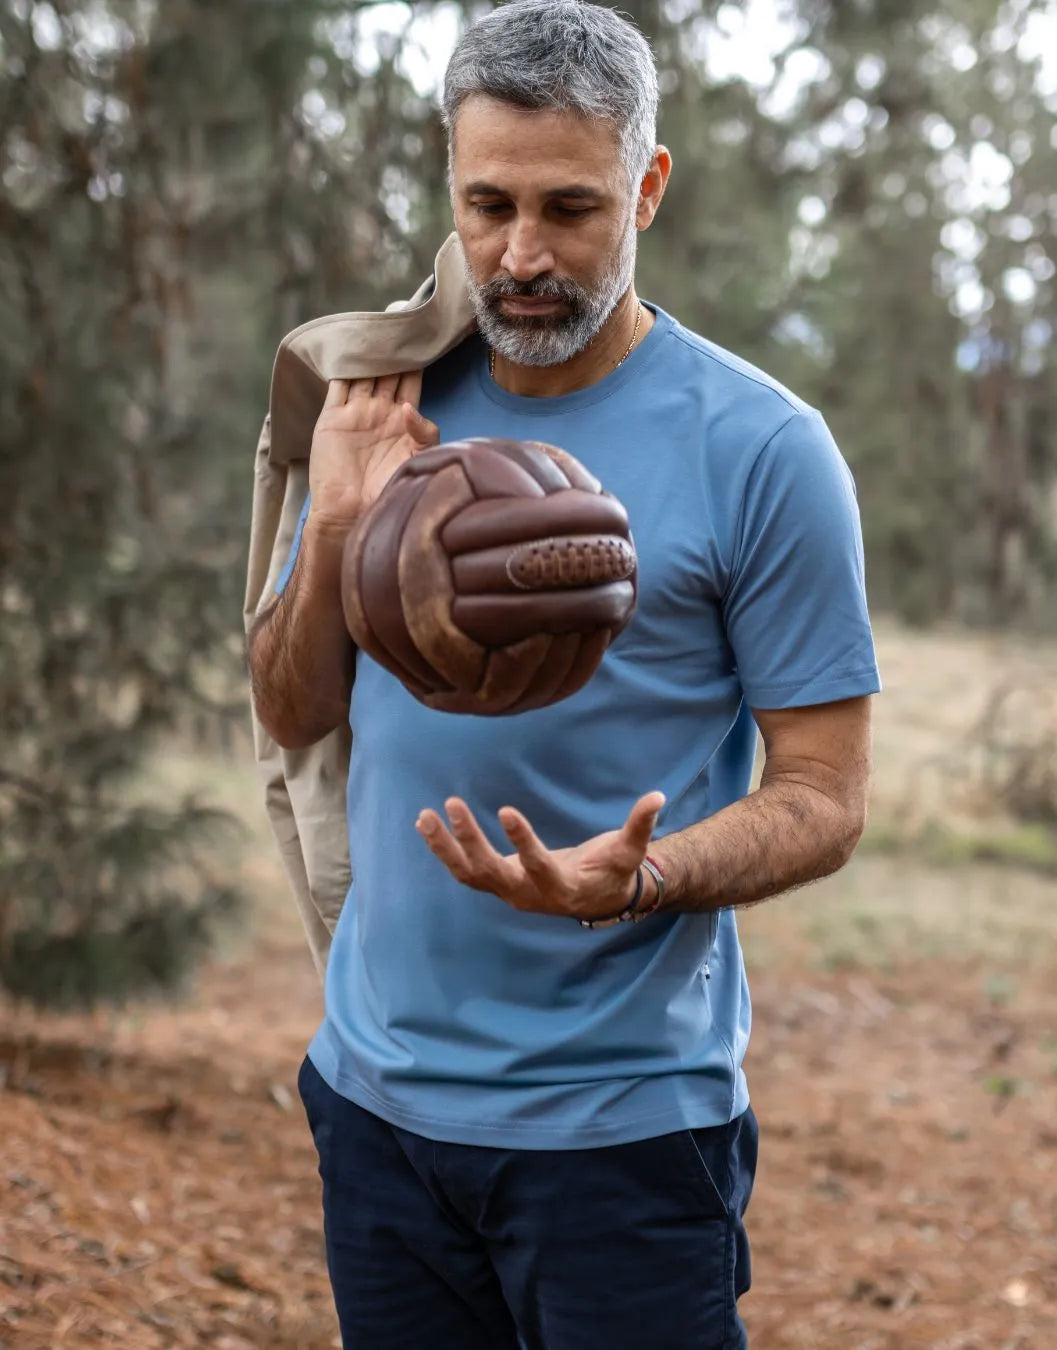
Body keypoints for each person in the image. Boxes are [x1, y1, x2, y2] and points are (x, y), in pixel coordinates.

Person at [247, 2, 880, 1346]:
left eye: (570, 209)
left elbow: (825, 793)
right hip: (375, 1103)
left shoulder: (764, 449)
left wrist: (637, 878)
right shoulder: (386, 396)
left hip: (626, 1132)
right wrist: (347, 522)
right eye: (487, 206)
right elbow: (293, 708)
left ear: (648, 184)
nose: (521, 256)